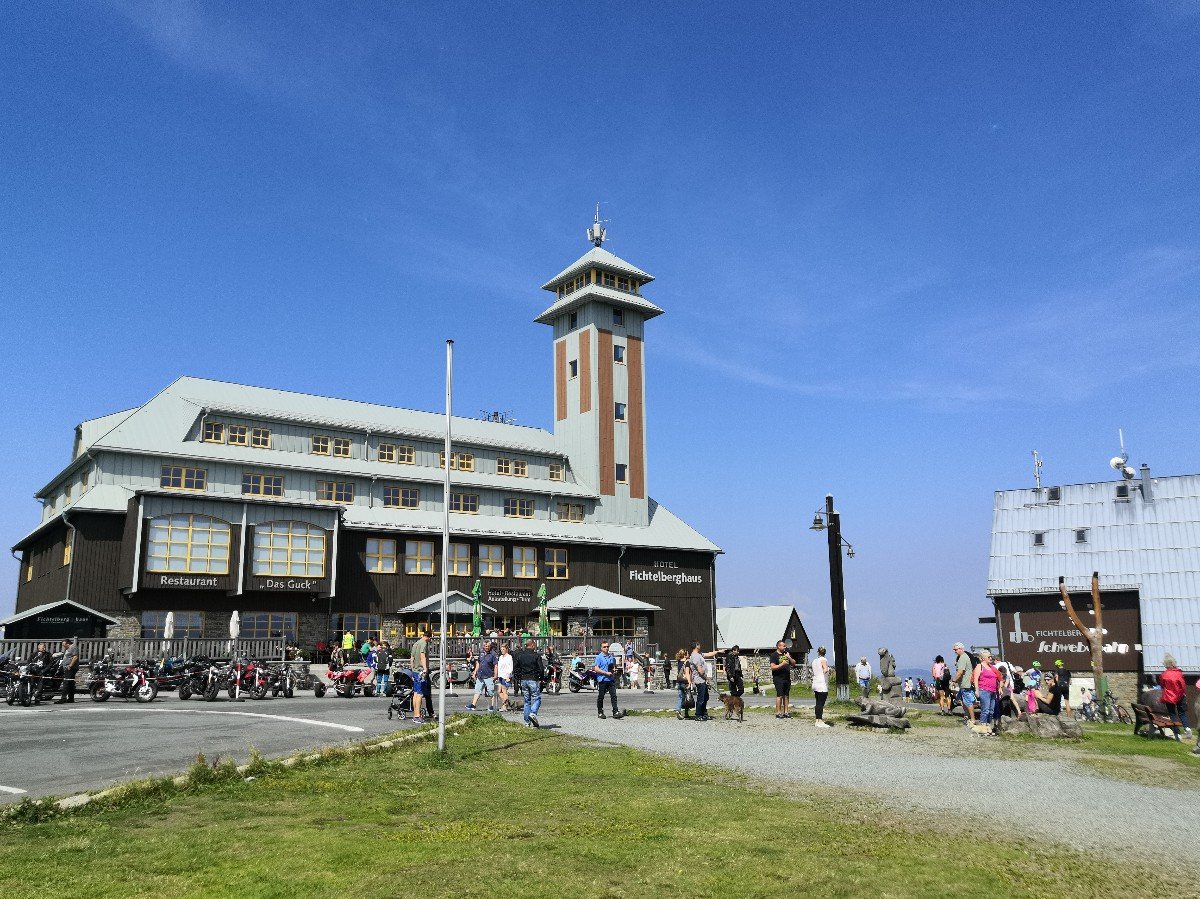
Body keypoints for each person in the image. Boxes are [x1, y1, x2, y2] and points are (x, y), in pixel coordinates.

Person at [513, 639, 544, 728]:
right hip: (533, 679)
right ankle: (533, 713)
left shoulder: (520, 655)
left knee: (527, 701)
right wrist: (541, 678)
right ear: (532, 645)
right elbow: (541, 669)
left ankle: (527, 722)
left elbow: (516, 668)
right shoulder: (536, 656)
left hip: (523, 679)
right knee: (537, 698)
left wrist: (518, 678)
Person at [1159, 655, 1190, 736]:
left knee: (1172, 714)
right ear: (1173, 663)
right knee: (1182, 713)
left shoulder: (1163, 674)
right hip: (1180, 695)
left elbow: (1162, 685)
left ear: (1166, 664)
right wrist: (1183, 694)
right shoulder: (1179, 673)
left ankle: (1177, 733)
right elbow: (1183, 686)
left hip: (1169, 697)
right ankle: (1187, 728)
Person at [592, 641, 623, 719]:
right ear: (601, 648)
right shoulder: (599, 657)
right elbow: (596, 669)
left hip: (611, 679)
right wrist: (605, 673)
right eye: (604, 647)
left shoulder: (611, 657)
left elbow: (613, 667)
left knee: (614, 696)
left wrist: (614, 671)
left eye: (607, 646)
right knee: (601, 697)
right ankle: (600, 712)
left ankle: (615, 711)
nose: (606, 648)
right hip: (602, 680)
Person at [689, 641, 717, 722]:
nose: (700, 646)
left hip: (703, 680)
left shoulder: (699, 654)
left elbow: (708, 654)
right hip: (700, 680)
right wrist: (706, 678)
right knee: (701, 698)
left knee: (705, 697)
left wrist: (718, 651)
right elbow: (700, 671)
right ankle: (698, 715)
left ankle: (704, 714)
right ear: (696, 646)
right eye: (699, 644)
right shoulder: (695, 656)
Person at [467, 640, 499, 712]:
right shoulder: (481, 652)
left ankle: (493, 706)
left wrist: (496, 675)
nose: (486, 647)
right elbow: (478, 663)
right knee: (477, 690)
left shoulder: (493, 654)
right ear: (483, 646)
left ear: (490, 646)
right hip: (480, 675)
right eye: (485, 646)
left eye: (488, 646)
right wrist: (475, 672)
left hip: (489, 675)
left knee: (491, 691)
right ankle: (473, 705)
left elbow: (495, 665)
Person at [972, 650, 999, 732]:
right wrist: (977, 690)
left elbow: (997, 677)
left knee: (991, 710)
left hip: (993, 691)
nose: (991, 658)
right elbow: (975, 678)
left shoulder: (991, 667)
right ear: (983, 658)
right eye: (989, 657)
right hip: (984, 690)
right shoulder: (979, 666)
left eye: (991, 657)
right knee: (985, 710)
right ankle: (982, 726)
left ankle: (988, 726)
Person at [952, 642, 976, 728]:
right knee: (964, 701)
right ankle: (967, 716)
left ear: (961, 649)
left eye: (956, 649)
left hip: (965, 683)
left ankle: (972, 719)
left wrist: (953, 681)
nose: (954, 651)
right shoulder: (965, 657)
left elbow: (960, 672)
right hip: (965, 683)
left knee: (968, 702)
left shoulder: (962, 658)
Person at [409, 630, 430, 723]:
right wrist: (425, 669)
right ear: (429, 637)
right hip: (421, 671)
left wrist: (412, 669)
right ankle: (417, 716)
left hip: (415, 671)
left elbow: (411, 658)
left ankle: (415, 714)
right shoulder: (424, 643)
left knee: (416, 693)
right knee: (420, 693)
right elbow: (422, 656)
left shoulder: (416, 643)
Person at [769, 640, 793, 719]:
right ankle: (778, 712)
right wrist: (782, 664)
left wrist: (789, 657)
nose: (785, 647)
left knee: (786, 695)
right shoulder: (774, 655)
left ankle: (786, 712)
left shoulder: (786, 654)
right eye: (784, 646)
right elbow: (772, 667)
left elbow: (794, 663)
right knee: (780, 695)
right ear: (779, 646)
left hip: (787, 678)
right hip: (778, 678)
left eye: (785, 646)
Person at [811, 646, 832, 728]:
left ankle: (817, 720)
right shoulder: (824, 659)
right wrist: (828, 670)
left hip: (815, 682)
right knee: (821, 703)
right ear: (825, 652)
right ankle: (820, 721)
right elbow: (825, 669)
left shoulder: (814, 661)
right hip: (822, 684)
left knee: (818, 702)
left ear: (818, 652)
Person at [55, 638, 79, 704]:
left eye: (64, 645)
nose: (63, 646)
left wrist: (70, 665)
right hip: (67, 667)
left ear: (68, 643)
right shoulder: (68, 649)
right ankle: (71, 698)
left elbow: (75, 657)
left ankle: (63, 698)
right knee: (70, 683)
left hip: (71, 668)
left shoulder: (73, 647)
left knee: (66, 682)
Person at [674, 649, 692, 720]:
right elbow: (687, 673)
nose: (689, 655)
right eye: (688, 653)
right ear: (685, 655)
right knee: (687, 698)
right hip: (685, 682)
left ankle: (678, 709)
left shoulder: (679, 661)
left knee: (680, 697)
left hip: (679, 682)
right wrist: (689, 682)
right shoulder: (687, 662)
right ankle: (686, 714)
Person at [496, 642, 514, 711]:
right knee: (498, 691)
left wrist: (508, 676)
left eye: (503, 649)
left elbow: (510, 667)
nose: (502, 651)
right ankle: (506, 703)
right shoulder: (501, 657)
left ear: (507, 649)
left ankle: (504, 706)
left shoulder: (509, 657)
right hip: (500, 676)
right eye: (501, 649)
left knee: (504, 691)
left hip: (506, 676)